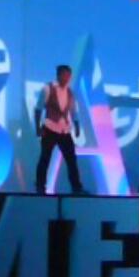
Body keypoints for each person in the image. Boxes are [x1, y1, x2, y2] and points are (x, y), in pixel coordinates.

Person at [34, 64, 84, 195]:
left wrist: (77, 125)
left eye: (69, 76)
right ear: (58, 75)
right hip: (50, 128)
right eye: (64, 75)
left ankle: (76, 187)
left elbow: (73, 111)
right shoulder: (47, 88)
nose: (67, 78)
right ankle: (40, 186)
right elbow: (38, 109)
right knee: (45, 158)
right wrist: (38, 127)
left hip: (64, 130)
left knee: (71, 160)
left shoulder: (70, 92)